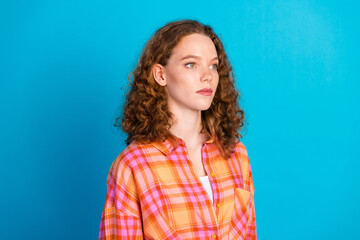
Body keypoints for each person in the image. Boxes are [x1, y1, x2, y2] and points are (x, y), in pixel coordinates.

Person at [98, 19, 257, 239]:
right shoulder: (133, 166)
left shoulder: (237, 154)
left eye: (213, 65)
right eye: (191, 64)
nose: (207, 76)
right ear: (161, 75)